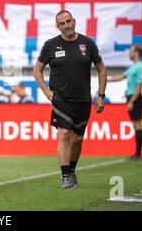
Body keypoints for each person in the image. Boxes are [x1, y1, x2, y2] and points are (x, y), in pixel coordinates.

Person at [33, 10, 107, 189]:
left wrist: (101, 95)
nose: (67, 26)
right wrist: (45, 91)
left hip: (83, 99)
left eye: (68, 21)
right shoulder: (50, 45)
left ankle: (72, 170)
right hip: (61, 99)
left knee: (77, 139)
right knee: (64, 134)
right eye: (62, 24)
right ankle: (65, 175)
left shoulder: (87, 43)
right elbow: (37, 71)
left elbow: (102, 69)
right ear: (58, 27)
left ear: (74, 21)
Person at [108, 44, 142, 160]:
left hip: (135, 98)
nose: (129, 53)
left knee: (138, 124)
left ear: (136, 53)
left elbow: (139, 86)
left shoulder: (140, 67)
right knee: (135, 125)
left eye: (131, 51)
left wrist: (132, 101)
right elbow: (121, 76)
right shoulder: (133, 67)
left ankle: (138, 154)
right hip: (131, 97)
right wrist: (106, 79)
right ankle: (137, 153)